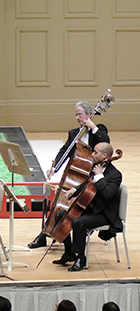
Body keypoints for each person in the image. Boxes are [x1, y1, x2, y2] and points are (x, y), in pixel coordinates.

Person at [28, 100, 110, 249]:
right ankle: (44, 234)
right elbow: (64, 151)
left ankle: (70, 235)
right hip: (76, 175)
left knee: (71, 206)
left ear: (89, 114)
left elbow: (106, 144)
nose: (77, 118)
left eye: (80, 114)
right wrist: (55, 168)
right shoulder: (74, 133)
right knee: (58, 203)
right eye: (76, 115)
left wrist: (93, 127)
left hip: (92, 177)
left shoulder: (99, 130)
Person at [51, 143, 122, 271]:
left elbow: (108, 194)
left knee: (78, 222)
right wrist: (74, 190)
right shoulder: (95, 168)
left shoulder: (115, 175)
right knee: (61, 215)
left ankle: (81, 258)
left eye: (95, 152)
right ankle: (69, 252)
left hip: (103, 214)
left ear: (104, 155)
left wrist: (99, 177)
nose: (92, 154)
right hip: (90, 210)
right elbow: (87, 185)